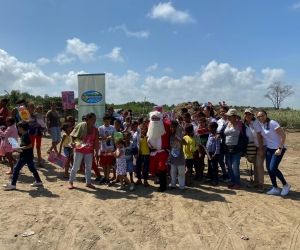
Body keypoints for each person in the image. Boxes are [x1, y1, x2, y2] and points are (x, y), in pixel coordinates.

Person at [256, 109, 291, 196]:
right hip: (269, 149)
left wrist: (280, 148)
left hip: (278, 149)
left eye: (262, 115)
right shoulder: (261, 125)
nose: (261, 118)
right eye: (259, 116)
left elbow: (283, 135)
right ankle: (275, 188)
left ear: (266, 115)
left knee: (273, 168)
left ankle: (285, 185)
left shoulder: (272, 123)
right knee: (269, 168)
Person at [3, 121, 43, 190]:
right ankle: (38, 181)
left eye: (18, 127)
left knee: (16, 168)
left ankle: (13, 184)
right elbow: (24, 147)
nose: (18, 129)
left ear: (21, 128)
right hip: (28, 155)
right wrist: (17, 149)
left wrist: (19, 148)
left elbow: (30, 145)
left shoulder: (26, 136)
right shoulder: (23, 136)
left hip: (25, 156)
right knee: (32, 168)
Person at [216, 109, 248, 189]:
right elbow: (221, 132)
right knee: (229, 166)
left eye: (230, 116)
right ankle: (232, 181)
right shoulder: (226, 123)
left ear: (235, 116)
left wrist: (244, 149)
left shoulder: (240, 124)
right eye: (228, 116)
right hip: (227, 148)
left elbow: (244, 137)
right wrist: (219, 135)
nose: (228, 117)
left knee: (235, 166)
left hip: (237, 149)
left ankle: (237, 182)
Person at [68, 113, 99, 189]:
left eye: (95, 119)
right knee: (75, 166)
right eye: (93, 119)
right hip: (79, 149)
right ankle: (70, 182)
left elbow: (96, 142)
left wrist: (96, 152)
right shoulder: (81, 125)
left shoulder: (95, 129)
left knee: (88, 167)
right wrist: (72, 142)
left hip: (89, 151)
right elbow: (72, 135)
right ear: (88, 119)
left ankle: (88, 182)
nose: (94, 121)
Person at [147, 111, 170, 192]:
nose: (155, 120)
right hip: (153, 151)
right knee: (152, 169)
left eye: (157, 118)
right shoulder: (149, 125)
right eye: (153, 118)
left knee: (161, 167)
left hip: (163, 151)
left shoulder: (167, 125)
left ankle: (163, 185)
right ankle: (162, 178)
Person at [244, 108, 266, 193]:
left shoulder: (256, 123)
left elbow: (260, 137)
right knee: (254, 164)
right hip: (252, 147)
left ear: (253, 115)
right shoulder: (245, 124)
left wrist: (260, 149)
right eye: (246, 114)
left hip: (261, 146)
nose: (247, 116)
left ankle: (261, 184)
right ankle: (256, 181)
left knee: (259, 164)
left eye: (249, 114)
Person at [99, 113, 116, 186]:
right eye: (106, 121)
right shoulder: (100, 128)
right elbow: (98, 138)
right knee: (103, 164)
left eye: (109, 121)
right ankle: (105, 176)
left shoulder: (112, 128)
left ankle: (107, 179)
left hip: (110, 149)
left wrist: (112, 138)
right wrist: (105, 138)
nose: (108, 123)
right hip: (103, 149)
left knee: (108, 164)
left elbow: (116, 137)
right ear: (103, 120)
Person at [169, 121, 187, 190]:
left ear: (177, 128)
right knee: (173, 171)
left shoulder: (180, 135)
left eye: (174, 127)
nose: (172, 128)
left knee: (181, 172)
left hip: (180, 156)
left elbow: (185, 143)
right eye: (171, 127)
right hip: (172, 156)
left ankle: (182, 186)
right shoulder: (170, 135)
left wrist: (178, 140)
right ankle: (173, 185)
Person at [27, 102, 44, 167]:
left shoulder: (35, 115)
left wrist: (41, 130)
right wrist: (34, 124)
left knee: (38, 147)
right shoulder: (25, 115)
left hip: (38, 132)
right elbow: (25, 123)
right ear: (28, 107)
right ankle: (30, 162)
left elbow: (40, 123)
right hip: (31, 132)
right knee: (31, 147)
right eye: (31, 106)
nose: (32, 108)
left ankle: (39, 162)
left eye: (33, 107)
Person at [216, 106, 230, 182]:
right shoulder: (219, 121)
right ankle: (224, 173)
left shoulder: (230, 121)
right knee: (220, 159)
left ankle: (229, 175)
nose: (221, 113)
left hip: (228, 143)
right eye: (220, 111)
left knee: (228, 160)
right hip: (220, 143)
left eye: (223, 111)